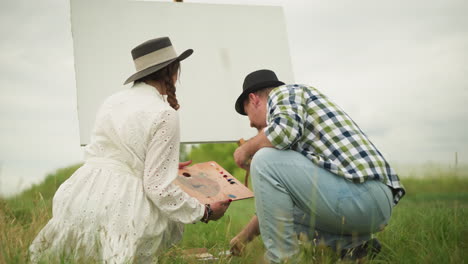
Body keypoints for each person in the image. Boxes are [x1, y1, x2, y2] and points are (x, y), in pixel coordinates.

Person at [29, 37, 231, 263]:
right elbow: (157, 187)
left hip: (82, 196)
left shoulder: (112, 101)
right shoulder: (165, 113)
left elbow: (121, 154)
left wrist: (165, 165)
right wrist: (205, 212)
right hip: (123, 208)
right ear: (173, 71)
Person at [230, 69, 405, 263]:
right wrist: (243, 238)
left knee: (263, 159)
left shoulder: (284, 94)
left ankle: (283, 260)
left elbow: (281, 133)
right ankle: (355, 247)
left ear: (254, 99)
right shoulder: (296, 127)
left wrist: (245, 150)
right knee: (272, 176)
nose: (250, 124)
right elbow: (273, 208)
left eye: (249, 117)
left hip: (363, 194)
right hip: (366, 201)